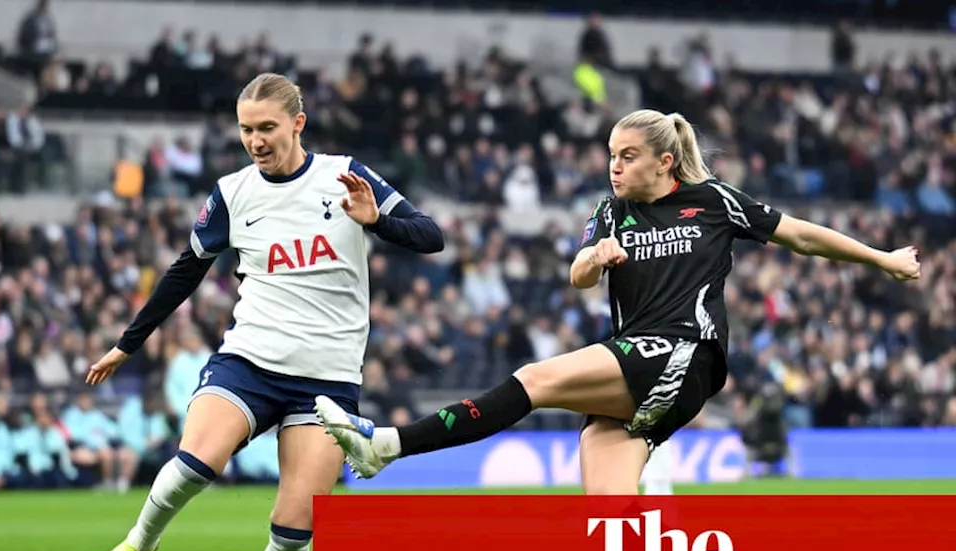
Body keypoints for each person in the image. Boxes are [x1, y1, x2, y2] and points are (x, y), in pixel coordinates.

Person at [316, 108, 921, 495]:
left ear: (663, 160)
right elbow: (578, 275)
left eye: (626, 157)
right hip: (633, 359)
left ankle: (386, 446)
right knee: (610, 522)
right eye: (610, 156)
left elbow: (803, 236)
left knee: (534, 379)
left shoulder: (713, 201)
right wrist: (595, 257)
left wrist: (883, 258)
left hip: (687, 352)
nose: (614, 167)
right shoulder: (611, 211)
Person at [78, 72, 444, 551]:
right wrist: (129, 341)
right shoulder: (233, 193)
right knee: (197, 462)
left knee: (297, 524)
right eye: (247, 129)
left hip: (326, 381)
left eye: (267, 127)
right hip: (250, 359)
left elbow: (431, 236)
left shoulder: (344, 176)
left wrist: (377, 222)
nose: (255, 140)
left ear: (298, 124)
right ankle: (137, 545)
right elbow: (186, 268)